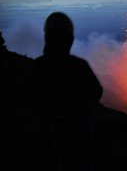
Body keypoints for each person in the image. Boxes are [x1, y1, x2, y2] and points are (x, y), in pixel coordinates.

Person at [25, 12, 103, 170]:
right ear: (70, 40)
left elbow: (29, 98)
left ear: (47, 37)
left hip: (47, 131)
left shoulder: (37, 67)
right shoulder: (79, 66)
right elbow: (96, 93)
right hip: (79, 132)